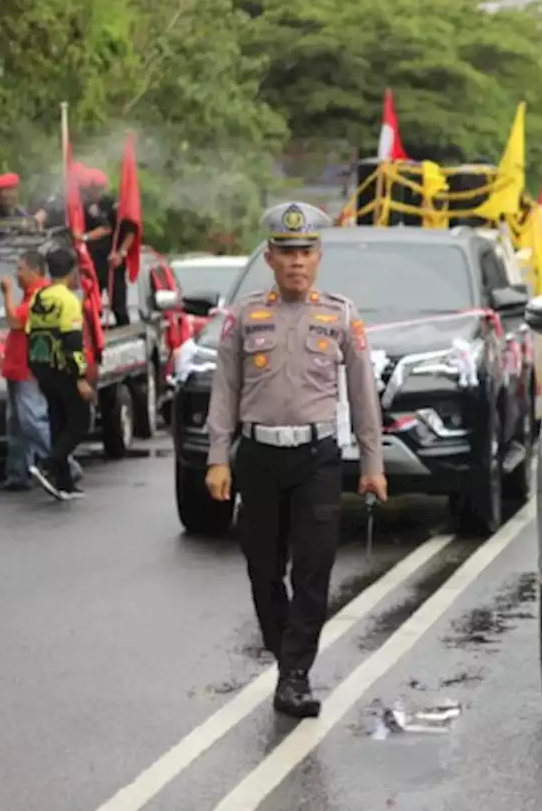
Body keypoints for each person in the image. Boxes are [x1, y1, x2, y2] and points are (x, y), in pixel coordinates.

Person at [204, 201, 387, 718]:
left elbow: (363, 395)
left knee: (314, 566)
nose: (296, 263)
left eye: (305, 252)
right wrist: (219, 457)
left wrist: (372, 465)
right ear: (270, 257)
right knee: (263, 566)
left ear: (319, 255)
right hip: (259, 456)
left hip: (318, 458)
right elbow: (225, 392)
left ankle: (295, 674)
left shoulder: (340, 315)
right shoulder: (243, 317)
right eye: (286, 253)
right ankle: (287, 657)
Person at [25, 247, 94, 500]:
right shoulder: (68, 300)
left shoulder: (38, 297)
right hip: (64, 368)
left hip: (42, 367)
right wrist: (80, 378)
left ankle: (63, 482)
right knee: (79, 421)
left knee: (58, 420)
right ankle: (49, 464)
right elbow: (73, 341)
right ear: (72, 271)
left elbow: (30, 333)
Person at [0, 252, 51, 490]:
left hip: (28, 370)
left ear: (34, 271)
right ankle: (18, 473)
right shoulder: (29, 296)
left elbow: (14, 322)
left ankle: (64, 464)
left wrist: (7, 293)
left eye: (20, 269)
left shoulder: (39, 297)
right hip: (16, 369)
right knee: (17, 424)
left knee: (32, 421)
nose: (16, 274)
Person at [79, 168, 136, 326]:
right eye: (90, 190)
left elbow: (131, 232)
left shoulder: (114, 205)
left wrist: (120, 253)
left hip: (112, 264)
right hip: (90, 264)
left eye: (97, 189)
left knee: (119, 307)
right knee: (91, 308)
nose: (94, 194)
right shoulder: (81, 205)